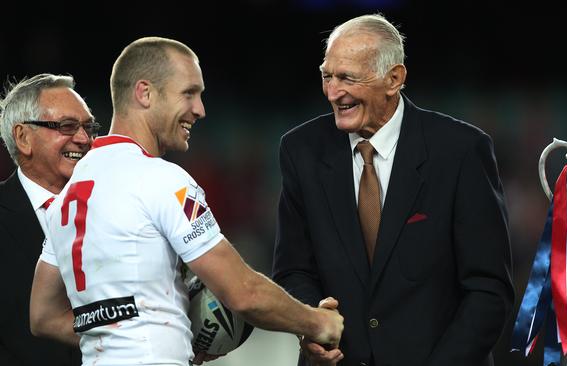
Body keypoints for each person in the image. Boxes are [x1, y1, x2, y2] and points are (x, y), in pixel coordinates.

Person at [29, 37, 343, 366]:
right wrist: (318, 323)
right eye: (189, 93)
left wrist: (125, 333)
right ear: (145, 93)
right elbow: (243, 292)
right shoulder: (162, 179)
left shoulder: (67, 194)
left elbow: (43, 316)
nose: (200, 109)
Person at [272, 14, 514, 366]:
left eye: (347, 78)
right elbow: (293, 271)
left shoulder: (459, 151)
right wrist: (310, 321)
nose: (333, 91)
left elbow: (489, 290)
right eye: (327, 75)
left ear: (394, 79)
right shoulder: (301, 151)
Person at [0, 73, 98, 365]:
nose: (84, 139)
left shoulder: (115, 209)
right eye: (67, 126)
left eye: (88, 127)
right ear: (23, 138)